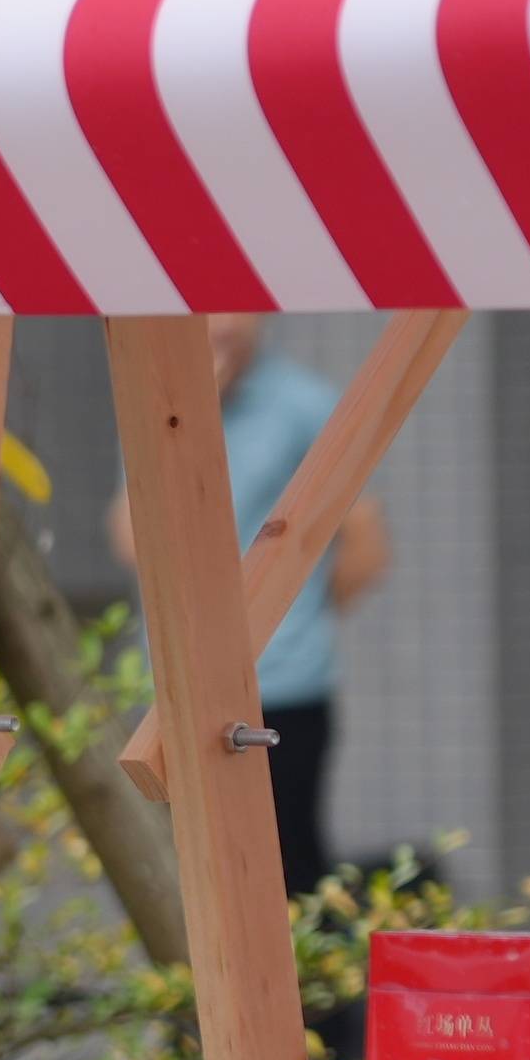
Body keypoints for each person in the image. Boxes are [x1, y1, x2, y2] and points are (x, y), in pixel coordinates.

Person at [104, 311, 391, 892]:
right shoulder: (156, 403)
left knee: (288, 865)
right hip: (181, 680)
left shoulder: (305, 404)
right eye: (206, 313)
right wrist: (182, 424)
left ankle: (311, 983)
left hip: (284, 686)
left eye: (236, 310)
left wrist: (291, 618)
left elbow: (365, 544)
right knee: (196, 873)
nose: (221, 329)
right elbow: (132, 541)